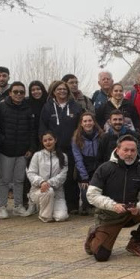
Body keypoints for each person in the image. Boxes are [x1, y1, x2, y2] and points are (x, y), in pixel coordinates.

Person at [85, 135, 140, 259]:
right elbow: (92, 195)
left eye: (133, 150)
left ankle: (135, 243)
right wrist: (113, 205)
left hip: (130, 214)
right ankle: (93, 235)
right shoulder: (105, 168)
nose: (129, 153)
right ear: (117, 150)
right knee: (101, 256)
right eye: (126, 150)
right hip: (109, 216)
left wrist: (139, 207)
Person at [0, 81, 38, 219]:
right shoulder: (0, 107)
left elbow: (32, 130)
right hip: (5, 151)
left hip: (22, 151)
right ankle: (2, 206)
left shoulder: (28, 108)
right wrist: (2, 142)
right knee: (4, 180)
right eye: (15, 92)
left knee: (19, 180)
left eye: (21, 92)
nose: (19, 94)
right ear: (10, 93)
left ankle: (18, 206)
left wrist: (31, 148)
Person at [41, 80, 84, 214]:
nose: (62, 91)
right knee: (55, 176)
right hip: (55, 148)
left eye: (64, 89)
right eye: (59, 89)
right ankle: (54, 204)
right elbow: (43, 127)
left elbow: (81, 126)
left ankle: (72, 205)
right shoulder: (47, 107)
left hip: (72, 148)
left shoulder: (76, 106)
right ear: (54, 91)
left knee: (71, 176)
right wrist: (47, 144)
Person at [28, 131, 70, 223]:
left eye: (50, 139)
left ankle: (49, 208)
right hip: (39, 191)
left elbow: (62, 176)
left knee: (61, 217)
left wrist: (48, 183)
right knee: (48, 191)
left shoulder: (63, 156)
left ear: (55, 140)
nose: (48, 142)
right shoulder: (37, 155)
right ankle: (44, 216)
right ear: (42, 142)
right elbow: (31, 173)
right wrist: (41, 182)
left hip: (57, 193)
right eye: (45, 140)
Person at [71, 112, 104, 216]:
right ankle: (86, 206)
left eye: (90, 120)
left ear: (94, 122)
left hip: (99, 165)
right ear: (81, 123)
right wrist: (84, 177)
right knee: (86, 193)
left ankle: (99, 206)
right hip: (85, 167)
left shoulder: (101, 135)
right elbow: (78, 159)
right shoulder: (76, 138)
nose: (87, 123)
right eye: (85, 121)